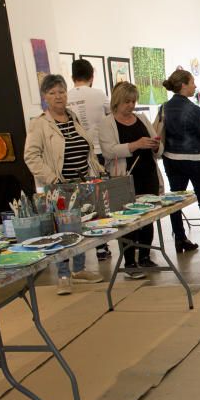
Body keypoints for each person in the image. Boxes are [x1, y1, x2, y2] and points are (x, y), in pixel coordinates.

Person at [23, 73, 105, 295]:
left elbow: (86, 148)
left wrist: (96, 170)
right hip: (58, 187)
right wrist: (52, 178)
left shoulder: (73, 117)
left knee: (79, 228)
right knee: (61, 231)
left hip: (81, 184)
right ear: (45, 97)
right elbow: (31, 156)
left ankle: (78, 270)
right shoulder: (40, 124)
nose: (58, 96)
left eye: (61, 91)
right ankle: (63, 275)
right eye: (52, 93)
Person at [98, 82, 163, 279]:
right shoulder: (107, 123)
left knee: (148, 216)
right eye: (127, 101)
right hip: (124, 178)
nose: (131, 105)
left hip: (148, 174)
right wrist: (135, 145)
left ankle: (145, 256)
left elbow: (158, 147)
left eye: (134, 101)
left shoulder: (141, 118)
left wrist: (155, 146)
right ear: (117, 101)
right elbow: (109, 151)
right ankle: (129, 262)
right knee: (127, 219)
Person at [160, 70, 200, 251]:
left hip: (171, 159)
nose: (195, 86)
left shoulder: (164, 107)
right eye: (192, 82)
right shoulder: (194, 110)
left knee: (175, 200)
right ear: (183, 85)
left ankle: (180, 239)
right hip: (195, 159)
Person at [68, 58, 112, 262]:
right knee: (99, 200)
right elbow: (111, 116)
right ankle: (101, 246)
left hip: (75, 156)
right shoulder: (99, 94)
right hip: (98, 152)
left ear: (72, 77)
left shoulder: (66, 97)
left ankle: (78, 243)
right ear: (92, 76)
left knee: (77, 202)